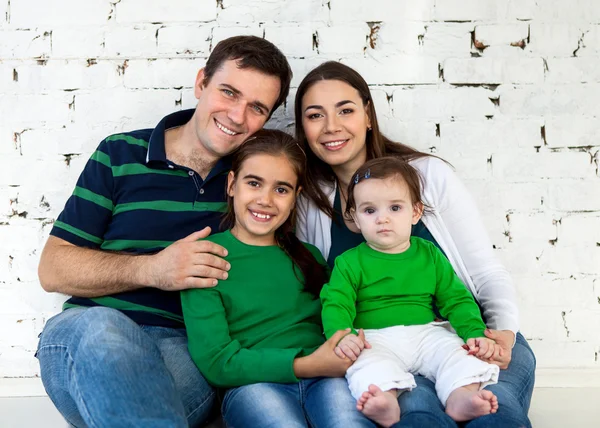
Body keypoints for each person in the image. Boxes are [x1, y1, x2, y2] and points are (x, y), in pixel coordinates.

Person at [35, 36, 292, 427]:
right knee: (103, 330)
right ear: (201, 82)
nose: (238, 116)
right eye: (228, 92)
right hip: (87, 333)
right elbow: (53, 270)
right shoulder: (119, 154)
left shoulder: (255, 184)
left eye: (257, 108)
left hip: (183, 349)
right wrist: (153, 270)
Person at [294, 61, 536, 428]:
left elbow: (485, 272)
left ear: (368, 115)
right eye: (315, 115)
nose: (331, 126)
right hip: (379, 347)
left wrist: (499, 334)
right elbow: (328, 299)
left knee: (492, 405)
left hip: (461, 337)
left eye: (346, 110)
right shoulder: (309, 201)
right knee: (417, 409)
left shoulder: (428, 176)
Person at [181, 129, 375, 428]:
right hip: (254, 385)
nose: (266, 200)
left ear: (296, 197)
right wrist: (306, 364)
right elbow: (218, 362)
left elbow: (341, 314)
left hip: (327, 377)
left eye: (281, 189)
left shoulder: (310, 257)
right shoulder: (205, 258)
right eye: (254, 183)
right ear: (232, 184)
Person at [321, 157, 501, 427]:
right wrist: (343, 336)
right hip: (373, 338)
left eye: (395, 207)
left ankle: (461, 396)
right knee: (365, 363)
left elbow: (456, 299)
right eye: (369, 211)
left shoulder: (429, 254)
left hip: (427, 332)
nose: (383, 218)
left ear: (415, 212)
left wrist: (474, 333)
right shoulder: (349, 262)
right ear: (355, 217)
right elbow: (336, 303)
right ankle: (384, 401)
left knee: (457, 354)